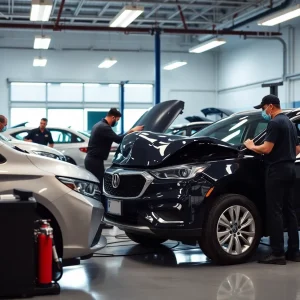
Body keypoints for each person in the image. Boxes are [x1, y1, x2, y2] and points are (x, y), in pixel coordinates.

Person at [244, 94, 300, 265]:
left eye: (263, 108)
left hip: (276, 170)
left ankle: (277, 253)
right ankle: (294, 252)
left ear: (270, 106)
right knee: (289, 211)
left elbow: (267, 149)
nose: (263, 111)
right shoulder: (290, 123)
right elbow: (297, 149)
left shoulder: (275, 123)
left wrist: (251, 146)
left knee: (275, 211)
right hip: (291, 169)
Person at [85, 108, 143, 189]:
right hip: (94, 161)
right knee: (99, 184)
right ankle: (101, 201)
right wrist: (132, 131)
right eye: (117, 120)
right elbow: (119, 139)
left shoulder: (98, 125)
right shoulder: (104, 127)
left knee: (96, 183)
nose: (117, 122)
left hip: (92, 160)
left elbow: (115, 137)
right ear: (113, 117)